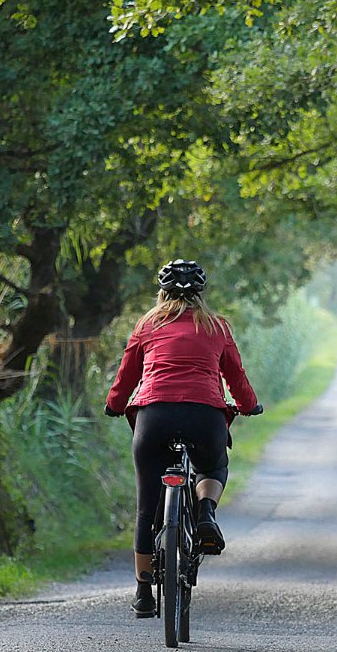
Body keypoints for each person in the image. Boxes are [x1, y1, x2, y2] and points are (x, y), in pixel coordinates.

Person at [104, 259, 258, 618]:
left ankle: (144, 593)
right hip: (205, 416)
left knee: (146, 508)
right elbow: (237, 376)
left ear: (162, 292)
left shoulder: (147, 324)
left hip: (154, 417)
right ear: (201, 294)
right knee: (214, 466)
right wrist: (249, 405)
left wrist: (114, 405)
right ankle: (205, 512)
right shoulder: (217, 326)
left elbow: (126, 376)